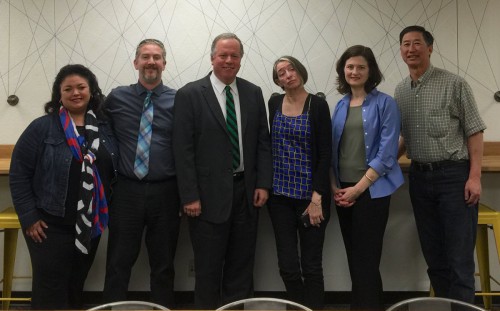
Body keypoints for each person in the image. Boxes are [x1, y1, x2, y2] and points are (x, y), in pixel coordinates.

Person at [173, 33, 272, 309]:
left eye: (235, 56)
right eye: (223, 55)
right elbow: (183, 151)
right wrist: (189, 196)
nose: (229, 60)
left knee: (241, 268)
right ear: (212, 58)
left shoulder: (253, 93)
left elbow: (262, 142)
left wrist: (263, 183)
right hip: (205, 198)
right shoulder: (190, 94)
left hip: (246, 194)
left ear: (241, 59)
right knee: (207, 269)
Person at [9, 64, 118, 310]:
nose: (75, 93)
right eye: (68, 88)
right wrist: (29, 217)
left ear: (92, 91)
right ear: (59, 94)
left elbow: (113, 171)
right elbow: (19, 174)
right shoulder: (42, 127)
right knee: (50, 290)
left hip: (89, 225)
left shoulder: (104, 128)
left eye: (81, 87)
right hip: (49, 225)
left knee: (75, 285)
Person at [395, 25, 486, 303]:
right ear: (401, 51)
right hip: (420, 179)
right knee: (434, 257)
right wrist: (382, 163)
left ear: (430, 48)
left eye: (417, 43)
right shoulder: (401, 91)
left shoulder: (454, 84)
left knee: (459, 259)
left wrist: (474, 177)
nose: (411, 49)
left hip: (453, 178)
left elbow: (474, 131)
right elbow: (404, 138)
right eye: (405, 44)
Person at [102, 39, 180, 307]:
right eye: (145, 57)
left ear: (164, 64)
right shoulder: (116, 97)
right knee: (118, 261)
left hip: (166, 191)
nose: (151, 62)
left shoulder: (178, 100)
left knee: (164, 263)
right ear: (136, 62)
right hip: (126, 191)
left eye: (157, 57)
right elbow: (98, 130)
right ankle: (113, 307)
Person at [331, 45, 404, 311]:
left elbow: (387, 154)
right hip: (344, 191)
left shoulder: (386, 103)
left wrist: (357, 189)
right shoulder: (339, 105)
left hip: (371, 191)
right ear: (343, 70)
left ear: (370, 70)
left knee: (366, 259)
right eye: (350, 67)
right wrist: (335, 188)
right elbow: (332, 151)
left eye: (361, 67)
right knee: (354, 258)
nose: (355, 71)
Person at [267, 56, 332, 309]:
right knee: (288, 266)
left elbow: (325, 153)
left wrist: (317, 198)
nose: (287, 75)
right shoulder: (273, 102)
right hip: (279, 197)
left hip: (310, 198)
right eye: (281, 72)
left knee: (312, 266)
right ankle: (298, 307)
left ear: (300, 71)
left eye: (291, 69)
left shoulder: (317, 104)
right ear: (278, 80)